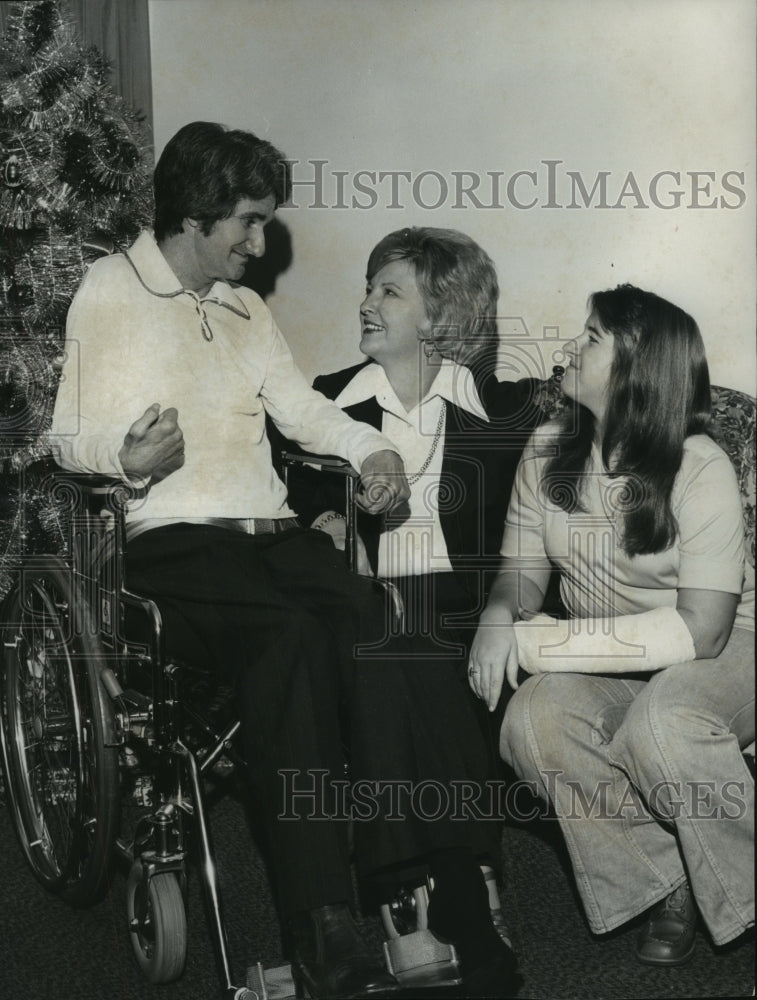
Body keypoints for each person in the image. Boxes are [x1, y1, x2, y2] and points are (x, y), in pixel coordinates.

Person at [50, 121, 415, 1000]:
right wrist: (122, 456)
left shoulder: (249, 310)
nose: (260, 242)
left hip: (269, 536)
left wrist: (370, 451)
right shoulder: (110, 288)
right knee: (287, 642)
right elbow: (63, 435)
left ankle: (411, 885)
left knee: (376, 622)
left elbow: (301, 412)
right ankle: (322, 924)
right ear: (197, 215)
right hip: (172, 541)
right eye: (249, 223)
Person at [285, 226, 550, 995]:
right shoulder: (323, 405)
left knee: (419, 634)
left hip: (476, 613)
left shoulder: (509, 414)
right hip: (366, 614)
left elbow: (540, 536)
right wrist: (322, 524)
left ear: (440, 315)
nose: (365, 302)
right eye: (367, 287)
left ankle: (420, 890)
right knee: (394, 633)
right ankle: (466, 897)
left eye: (387, 290)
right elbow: (294, 513)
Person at [468, 283, 754, 967]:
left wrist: (533, 641)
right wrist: (496, 616)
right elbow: (520, 574)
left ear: (637, 367)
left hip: (729, 650)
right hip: (615, 661)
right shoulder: (545, 451)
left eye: (591, 336)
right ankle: (670, 879)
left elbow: (701, 633)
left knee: (666, 723)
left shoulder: (698, 464)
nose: (569, 347)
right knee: (531, 722)